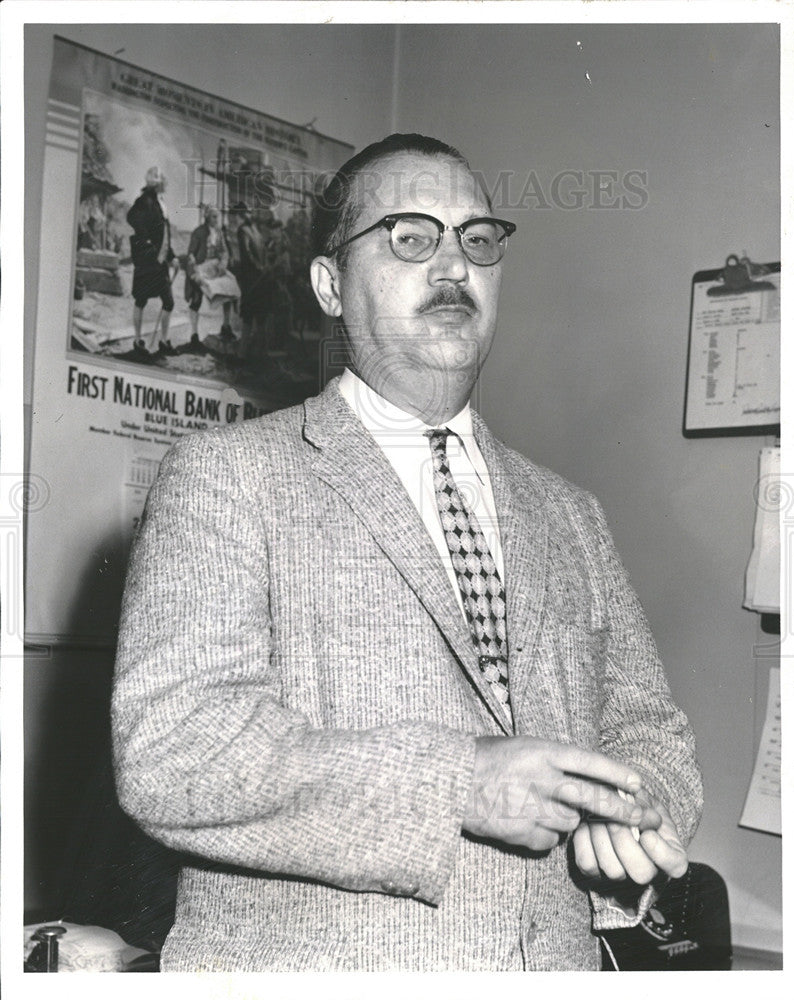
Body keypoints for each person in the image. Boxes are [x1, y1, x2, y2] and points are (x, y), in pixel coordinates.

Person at [112, 133, 703, 972]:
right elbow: (175, 751)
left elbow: (652, 732)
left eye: (477, 239)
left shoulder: (571, 514)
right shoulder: (227, 476)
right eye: (411, 237)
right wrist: (455, 782)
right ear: (329, 285)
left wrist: (628, 805)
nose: (455, 266)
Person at [126, 166, 175, 357]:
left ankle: (163, 342)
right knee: (141, 300)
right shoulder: (144, 200)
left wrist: (172, 256)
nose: (164, 185)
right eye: (161, 182)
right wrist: (146, 241)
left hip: (161, 262)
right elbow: (132, 217)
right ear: (155, 184)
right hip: (147, 260)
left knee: (169, 302)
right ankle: (138, 341)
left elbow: (165, 235)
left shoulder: (160, 203)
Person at [184, 205, 236, 347]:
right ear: (207, 217)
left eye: (217, 216)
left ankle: (226, 326)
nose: (216, 219)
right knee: (196, 299)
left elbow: (224, 251)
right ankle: (194, 334)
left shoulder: (219, 233)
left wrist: (223, 264)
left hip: (215, 268)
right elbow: (191, 254)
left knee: (229, 286)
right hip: (201, 268)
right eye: (213, 216)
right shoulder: (198, 233)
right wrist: (194, 273)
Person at [231, 202, 267, 356]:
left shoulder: (242, 231)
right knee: (259, 318)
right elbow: (262, 252)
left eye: (235, 217)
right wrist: (262, 268)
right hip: (261, 279)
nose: (234, 221)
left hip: (250, 280)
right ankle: (259, 354)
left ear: (240, 216)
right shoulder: (256, 231)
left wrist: (254, 267)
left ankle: (242, 354)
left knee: (247, 316)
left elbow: (246, 254)